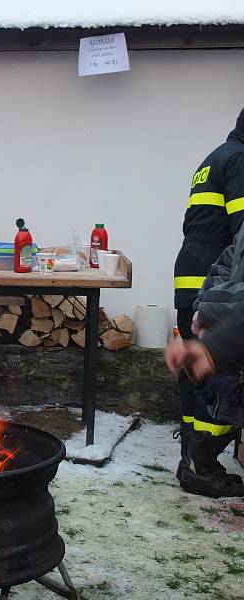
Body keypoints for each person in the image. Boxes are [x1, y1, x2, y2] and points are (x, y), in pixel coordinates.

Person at [172, 107, 244, 497]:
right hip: (215, 281)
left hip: (190, 271)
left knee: (192, 371)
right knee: (216, 375)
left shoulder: (215, 156)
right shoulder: (240, 160)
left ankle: (192, 456)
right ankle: (203, 464)